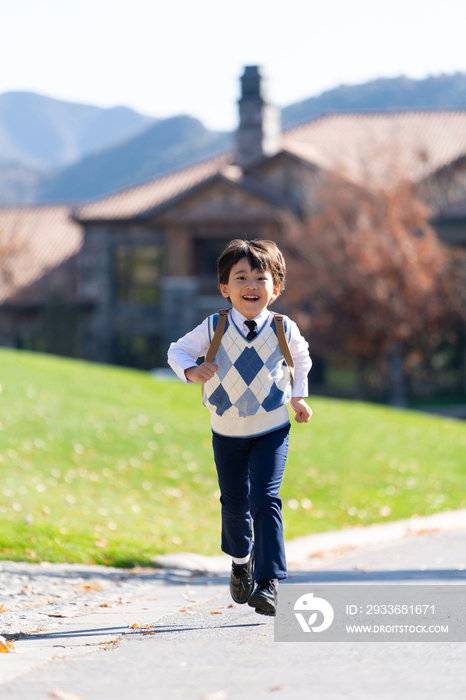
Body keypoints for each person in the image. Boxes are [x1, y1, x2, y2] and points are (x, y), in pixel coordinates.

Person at [167, 239, 312, 616]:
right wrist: (192, 371)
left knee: (264, 499)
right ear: (224, 288)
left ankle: (268, 582)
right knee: (234, 506)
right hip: (227, 431)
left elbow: (300, 357)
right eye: (241, 277)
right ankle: (240, 560)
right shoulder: (214, 326)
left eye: (260, 278)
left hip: (271, 428)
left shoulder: (283, 327)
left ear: (275, 289)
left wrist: (298, 397)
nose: (251, 285)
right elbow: (177, 350)